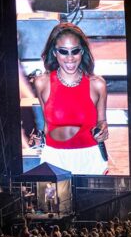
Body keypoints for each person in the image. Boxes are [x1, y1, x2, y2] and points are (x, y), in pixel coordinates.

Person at [33, 23, 109, 175]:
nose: (70, 58)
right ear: (54, 52)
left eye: (75, 51)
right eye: (63, 51)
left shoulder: (98, 84)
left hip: (90, 159)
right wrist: (38, 140)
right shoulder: (42, 83)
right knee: (55, 200)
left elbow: (102, 122)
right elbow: (48, 125)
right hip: (54, 159)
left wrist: (103, 131)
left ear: (82, 51)